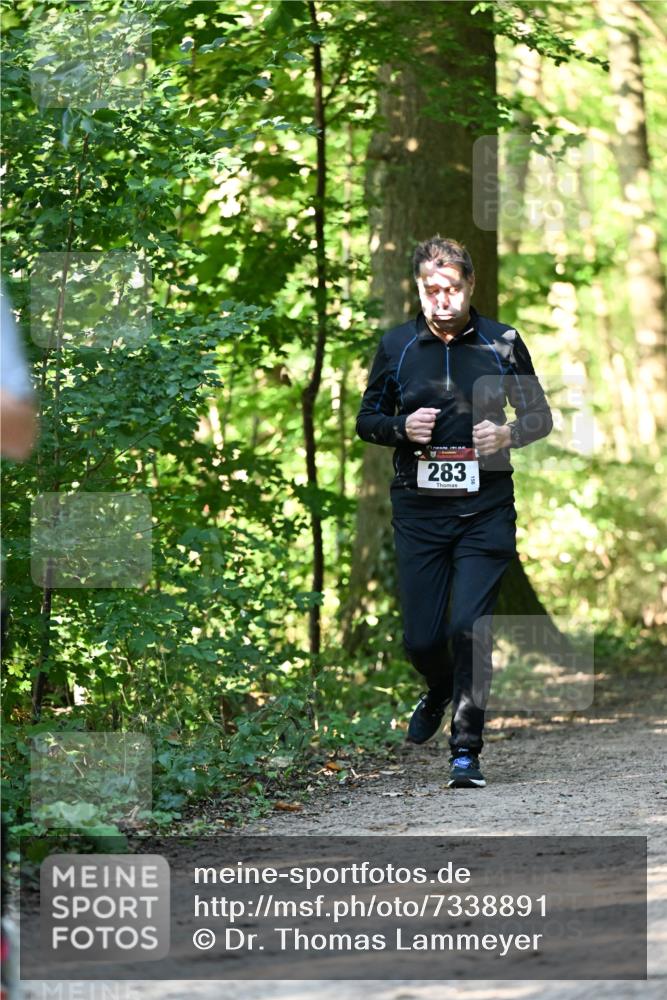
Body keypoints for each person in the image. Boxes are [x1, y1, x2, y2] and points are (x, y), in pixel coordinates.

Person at [356, 236, 552, 788]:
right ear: (419, 289)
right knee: (421, 639)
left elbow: (541, 417)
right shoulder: (396, 346)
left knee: (469, 626)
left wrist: (508, 432)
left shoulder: (502, 342)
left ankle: (466, 751)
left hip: (485, 509)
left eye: (453, 288)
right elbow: (367, 418)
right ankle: (438, 686)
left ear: (470, 287)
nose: (442, 299)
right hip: (418, 511)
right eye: (431, 289)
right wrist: (399, 428)